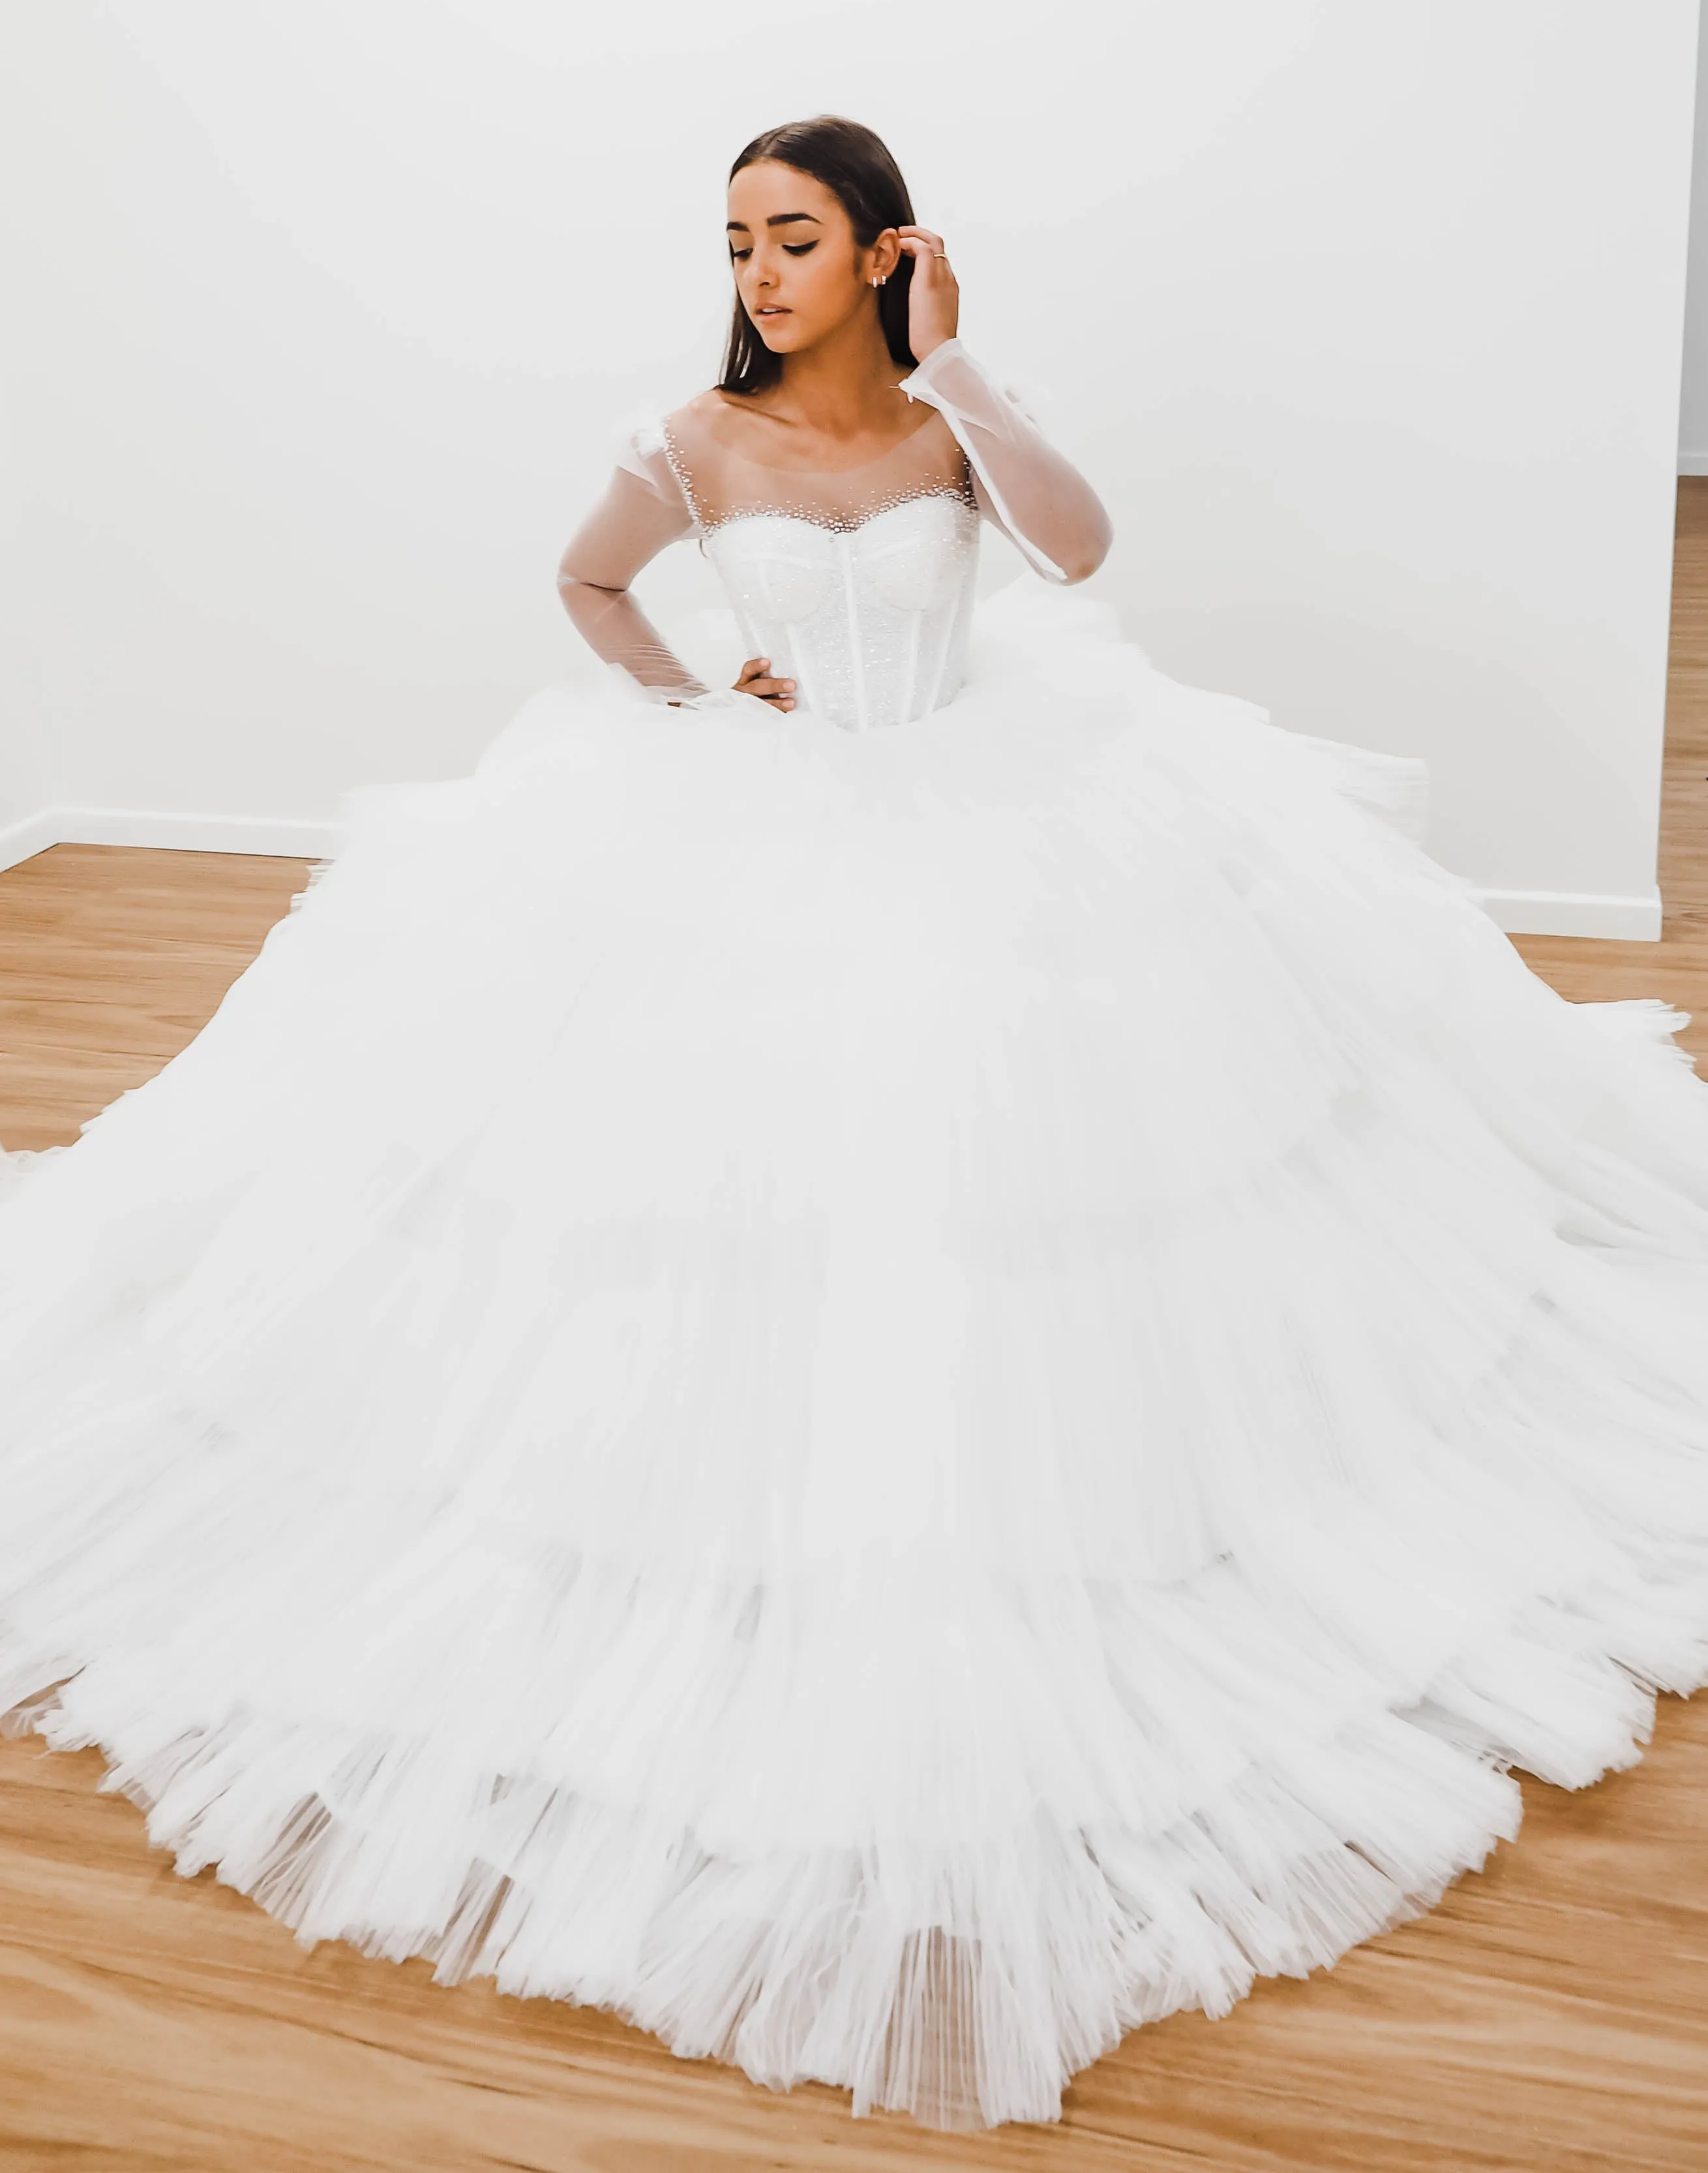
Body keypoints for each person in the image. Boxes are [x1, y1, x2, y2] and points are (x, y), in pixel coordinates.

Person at [2, 114, 1707, 2134]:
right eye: (736, 242)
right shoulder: (689, 441)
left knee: (1049, 1163)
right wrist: (689, 692)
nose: (757, 274)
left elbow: (1074, 552)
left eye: (796, 239)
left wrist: (966, 364)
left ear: (888, 251)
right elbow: (583, 579)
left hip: (991, 801)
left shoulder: (948, 430)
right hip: (767, 813)